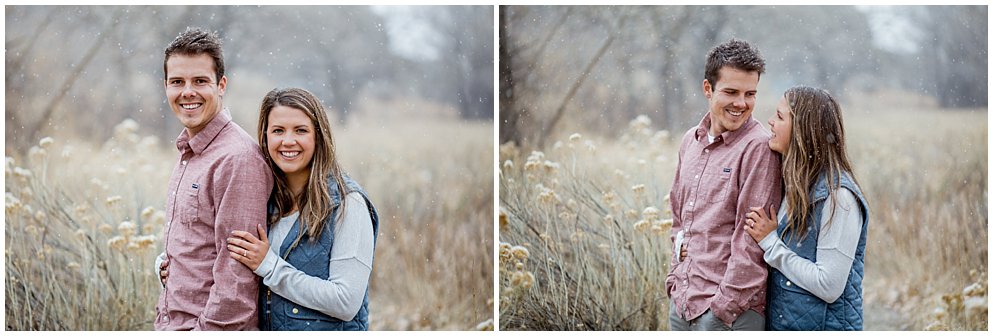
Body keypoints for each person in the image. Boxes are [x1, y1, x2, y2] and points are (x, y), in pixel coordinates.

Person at [224, 87, 380, 330]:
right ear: (265, 137)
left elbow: (346, 301)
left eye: (301, 130)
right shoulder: (263, 199)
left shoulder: (349, 204)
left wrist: (270, 266)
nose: (288, 141)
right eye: (278, 130)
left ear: (319, 136)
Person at [152, 27, 273, 330]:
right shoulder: (189, 151)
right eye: (177, 82)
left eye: (200, 81)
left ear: (221, 85)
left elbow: (237, 277)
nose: (187, 92)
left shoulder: (237, 159)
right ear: (165, 86)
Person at [665, 39, 783, 331]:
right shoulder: (690, 141)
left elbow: (752, 240)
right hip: (682, 303)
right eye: (731, 92)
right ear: (708, 89)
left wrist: (720, 310)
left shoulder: (758, 148)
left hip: (729, 315)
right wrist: (674, 278)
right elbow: (679, 218)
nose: (741, 103)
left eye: (750, 94)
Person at [744, 86, 869, 330]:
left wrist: (770, 243)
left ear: (804, 131)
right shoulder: (793, 183)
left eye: (780, 117)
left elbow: (829, 285)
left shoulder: (839, 198)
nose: (770, 121)